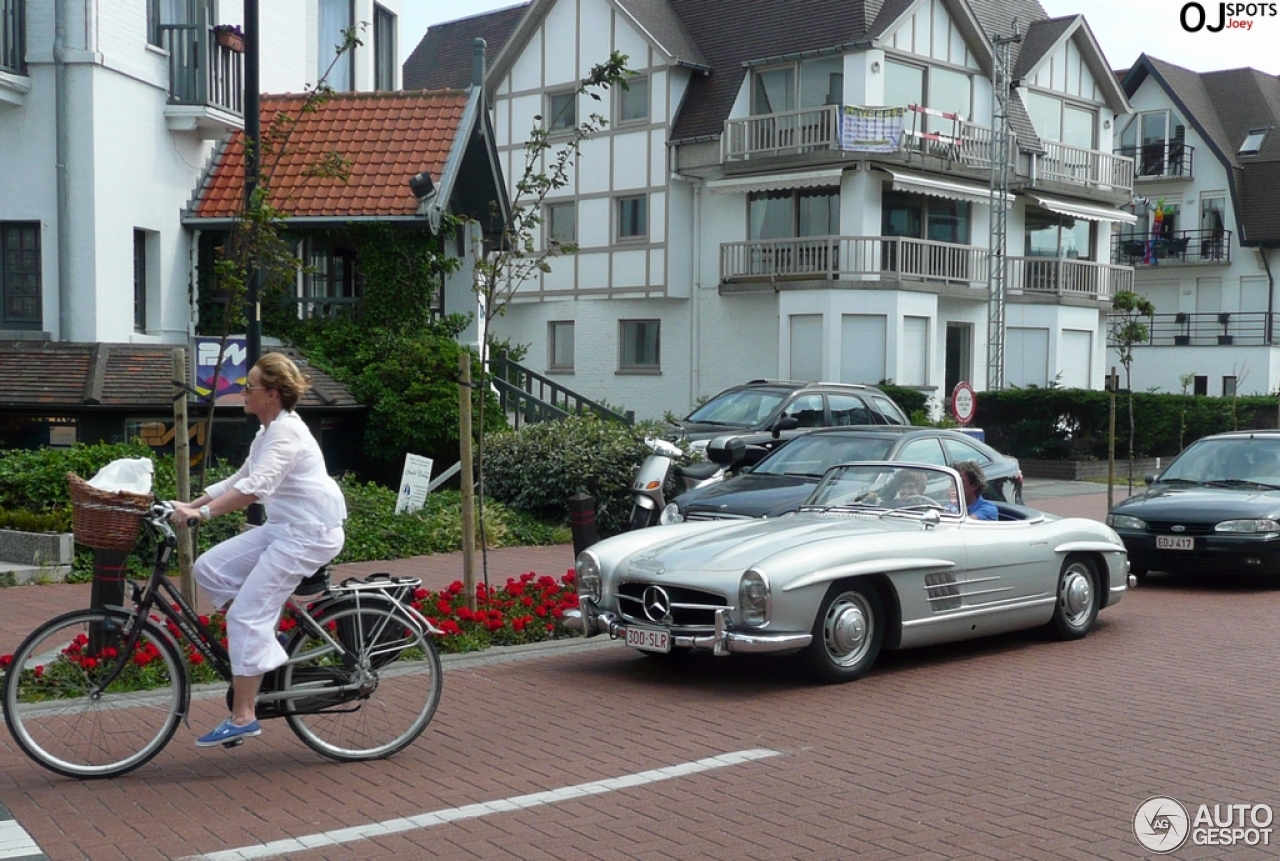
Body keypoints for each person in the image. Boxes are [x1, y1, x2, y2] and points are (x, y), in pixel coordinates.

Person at [170, 352, 348, 747]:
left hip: (309, 534)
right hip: (283, 528)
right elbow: (242, 476)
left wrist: (206, 516)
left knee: (245, 617)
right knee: (209, 569)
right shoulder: (267, 431)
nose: (242, 392)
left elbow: (256, 488)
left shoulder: (287, 433)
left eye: (248, 387)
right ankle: (267, 641)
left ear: (270, 394)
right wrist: (189, 505)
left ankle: (243, 716)